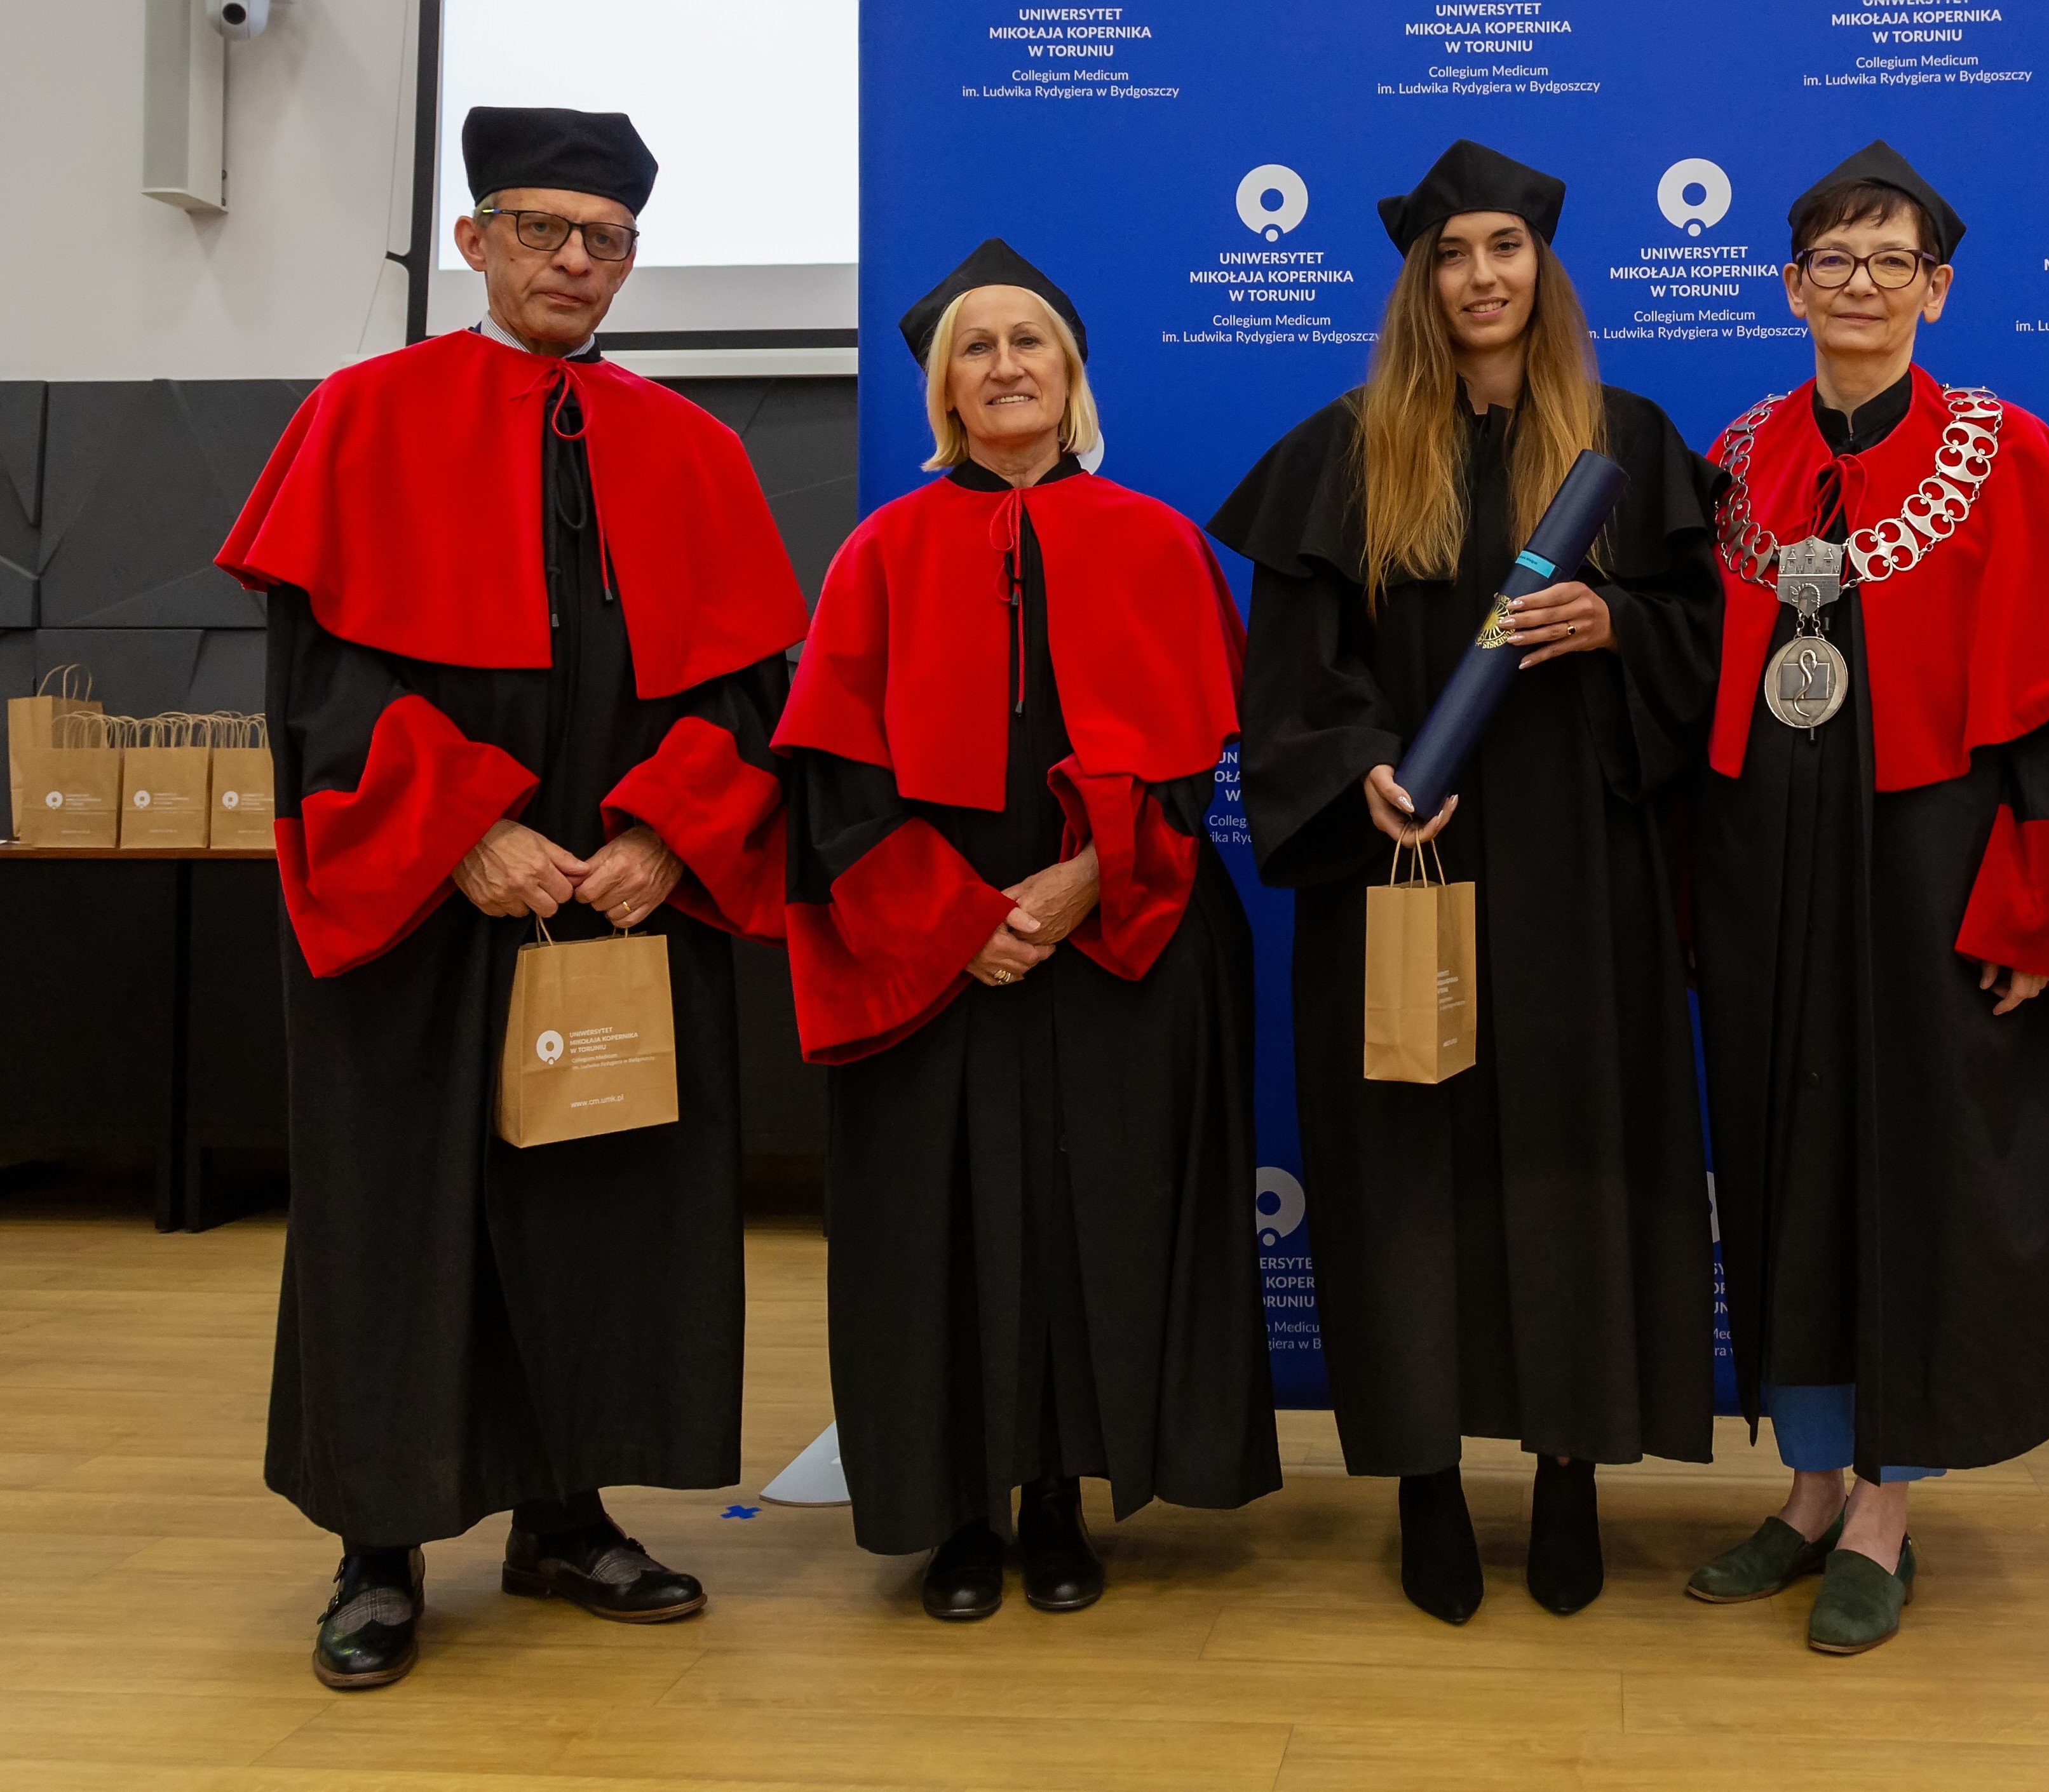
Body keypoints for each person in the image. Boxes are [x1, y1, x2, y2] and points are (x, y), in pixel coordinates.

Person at [215, 107, 809, 1690]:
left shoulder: (694, 451)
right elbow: (322, 685)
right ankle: (378, 1544)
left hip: (616, 902)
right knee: (397, 1215)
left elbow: (753, 698)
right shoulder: (363, 416)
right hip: (422, 900)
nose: (572, 260)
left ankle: (566, 1516)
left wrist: (669, 835)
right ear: (474, 241)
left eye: (603, 238)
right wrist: (464, 827)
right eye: (541, 228)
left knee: (603, 1208)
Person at [1211, 140, 1726, 1626]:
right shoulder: (1343, 449)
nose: (1481, 276)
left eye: (1505, 248)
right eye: (1452, 254)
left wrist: (1618, 625)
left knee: (1575, 1162)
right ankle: (1424, 1484)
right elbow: (1289, 683)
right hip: (1402, 866)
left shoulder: (1624, 442)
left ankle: (1569, 1473)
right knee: (1404, 1177)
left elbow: (1709, 649)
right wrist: (1359, 767)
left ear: (1542, 269)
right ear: (1418, 281)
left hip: (1580, 875)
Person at [1683, 140, 2049, 1654]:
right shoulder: (1737, 459)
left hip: (1933, 870)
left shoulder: (2001, 451)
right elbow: (1688, 676)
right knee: (1786, 1162)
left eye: (1892, 263)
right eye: (1834, 260)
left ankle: (1885, 1509)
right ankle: (1810, 1484)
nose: (1862, 286)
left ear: (1935, 291)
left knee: (1918, 1171)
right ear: (1789, 285)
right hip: (1769, 872)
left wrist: (2040, 915)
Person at [772, 239, 1278, 1621]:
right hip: (932, 957)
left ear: (1071, 376)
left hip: (1116, 940)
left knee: (1081, 1226)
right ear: (945, 390)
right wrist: (956, 922)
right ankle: (956, 1512)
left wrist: (1080, 885)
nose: (1005, 366)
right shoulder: (879, 552)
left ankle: (1057, 1497)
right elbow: (836, 788)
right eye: (976, 349)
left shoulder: (1156, 541)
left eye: (1029, 342)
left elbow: (1187, 771)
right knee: (938, 1231)